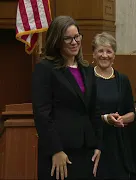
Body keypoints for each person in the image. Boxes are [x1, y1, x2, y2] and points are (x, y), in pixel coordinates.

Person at [32, 16, 102, 180]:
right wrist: (55, 150)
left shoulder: (87, 70)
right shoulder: (45, 69)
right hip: (59, 153)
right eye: (68, 38)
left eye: (77, 36)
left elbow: (94, 110)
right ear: (57, 41)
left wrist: (98, 144)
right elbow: (42, 114)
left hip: (87, 150)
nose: (74, 42)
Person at [92, 32, 136, 180]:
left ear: (114, 55)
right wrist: (105, 118)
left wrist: (120, 119)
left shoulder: (122, 80)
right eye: (100, 51)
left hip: (119, 145)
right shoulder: (86, 78)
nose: (105, 55)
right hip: (95, 143)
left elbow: (132, 113)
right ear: (94, 54)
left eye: (109, 51)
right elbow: (83, 113)